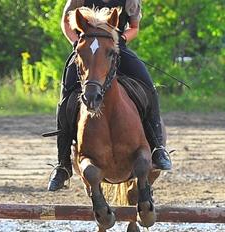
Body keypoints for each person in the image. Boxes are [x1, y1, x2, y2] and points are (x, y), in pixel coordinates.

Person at [48, 0, 172, 192]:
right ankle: (62, 164)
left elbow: (134, 28)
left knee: (148, 87)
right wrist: (78, 43)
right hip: (86, 48)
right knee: (65, 98)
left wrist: (117, 38)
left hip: (115, 44)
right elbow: (66, 22)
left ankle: (157, 149)